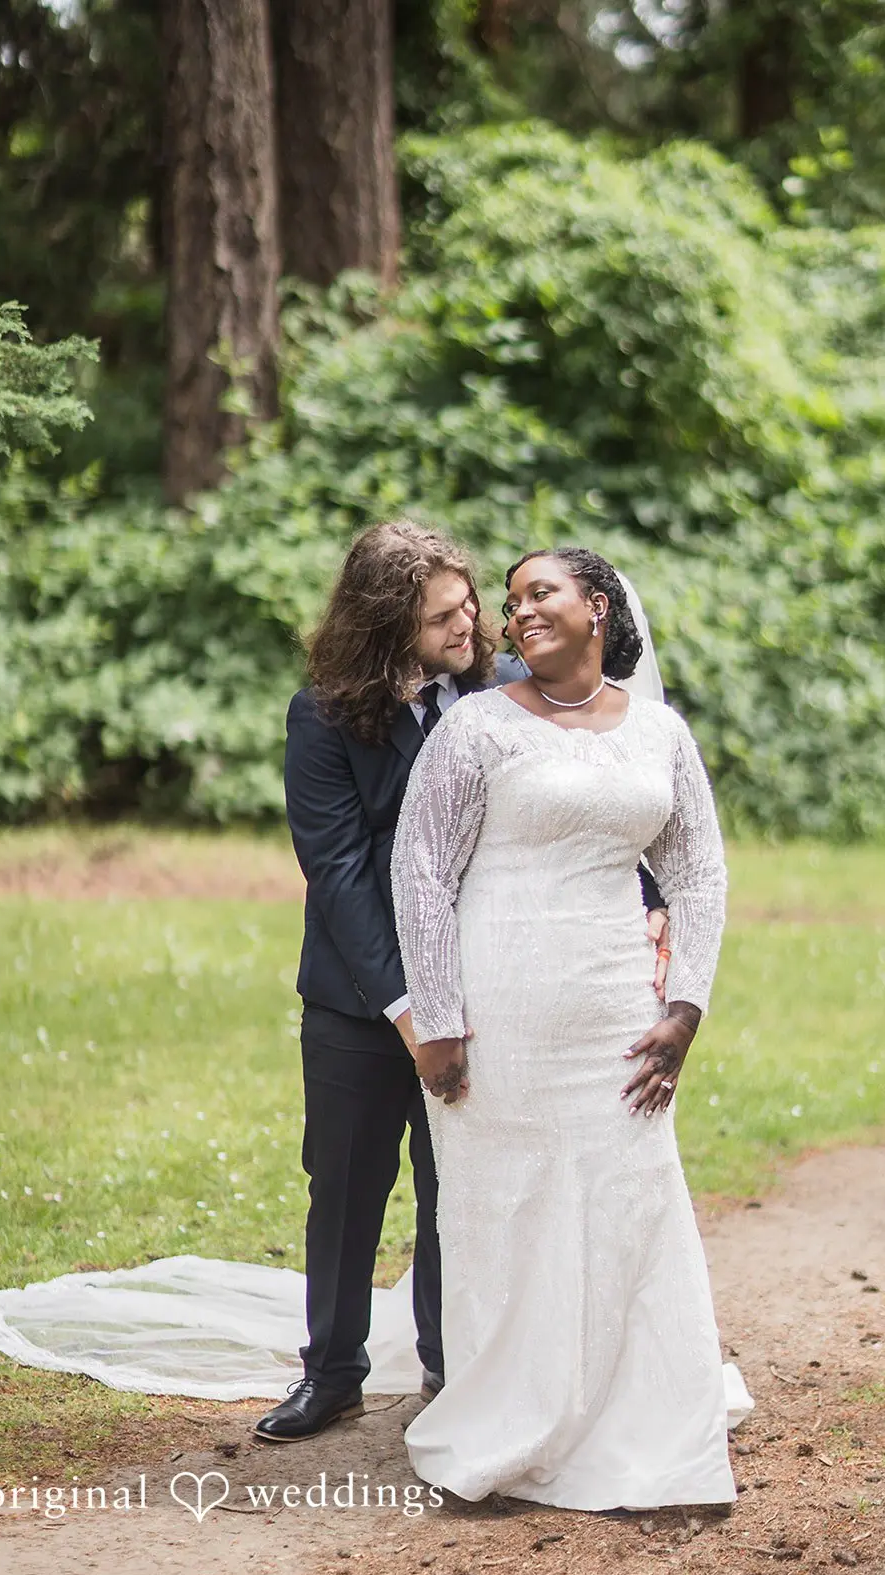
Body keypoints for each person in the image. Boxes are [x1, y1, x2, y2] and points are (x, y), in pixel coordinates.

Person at [255, 523, 669, 1443]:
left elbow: (575, 801)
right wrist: (410, 1009)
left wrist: (644, 893)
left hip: (487, 987)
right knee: (346, 1185)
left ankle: (457, 1367)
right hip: (362, 998)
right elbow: (339, 873)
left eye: (470, 602)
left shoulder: (500, 694)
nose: (472, 620)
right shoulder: (321, 717)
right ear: (384, 622)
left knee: (464, 1187)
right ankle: (331, 1374)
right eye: (444, 614)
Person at [391, 546, 735, 1510]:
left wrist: (685, 1008)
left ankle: (639, 1412)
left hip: (617, 1007)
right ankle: (513, 1411)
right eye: (511, 603)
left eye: (540, 593)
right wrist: (440, 1018)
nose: (517, 614)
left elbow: (698, 873)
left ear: (598, 605)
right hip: (501, 1006)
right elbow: (418, 871)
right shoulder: (475, 734)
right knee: (509, 1208)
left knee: (630, 1199)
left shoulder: (660, 735)